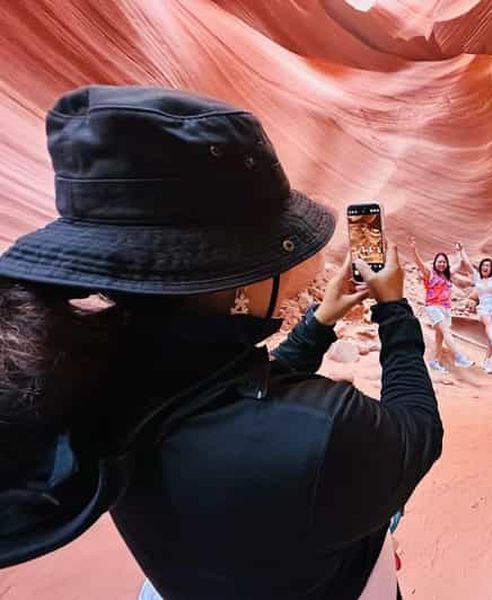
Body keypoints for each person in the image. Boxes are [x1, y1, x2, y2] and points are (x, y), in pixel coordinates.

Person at [0, 85, 442, 600]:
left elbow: (219, 387)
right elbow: (418, 432)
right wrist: (393, 308)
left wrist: (320, 322)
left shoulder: (95, 380)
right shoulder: (325, 429)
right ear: (241, 284)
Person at [410, 238, 474, 373]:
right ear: (435, 263)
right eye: (439, 262)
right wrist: (414, 250)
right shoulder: (430, 274)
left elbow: (459, 263)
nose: (441, 264)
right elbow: (419, 263)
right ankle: (460, 357)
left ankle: (434, 361)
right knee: (446, 331)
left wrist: (459, 251)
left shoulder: (448, 275)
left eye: (444, 262)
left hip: (445, 309)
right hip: (433, 307)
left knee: (439, 337)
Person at [457, 243, 492, 374]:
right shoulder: (476, 277)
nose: (486, 267)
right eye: (484, 265)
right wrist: (462, 251)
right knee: (488, 323)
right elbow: (467, 264)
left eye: (488, 266)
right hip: (483, 306)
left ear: (491, 269)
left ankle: (487, 361)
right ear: (481, 267)